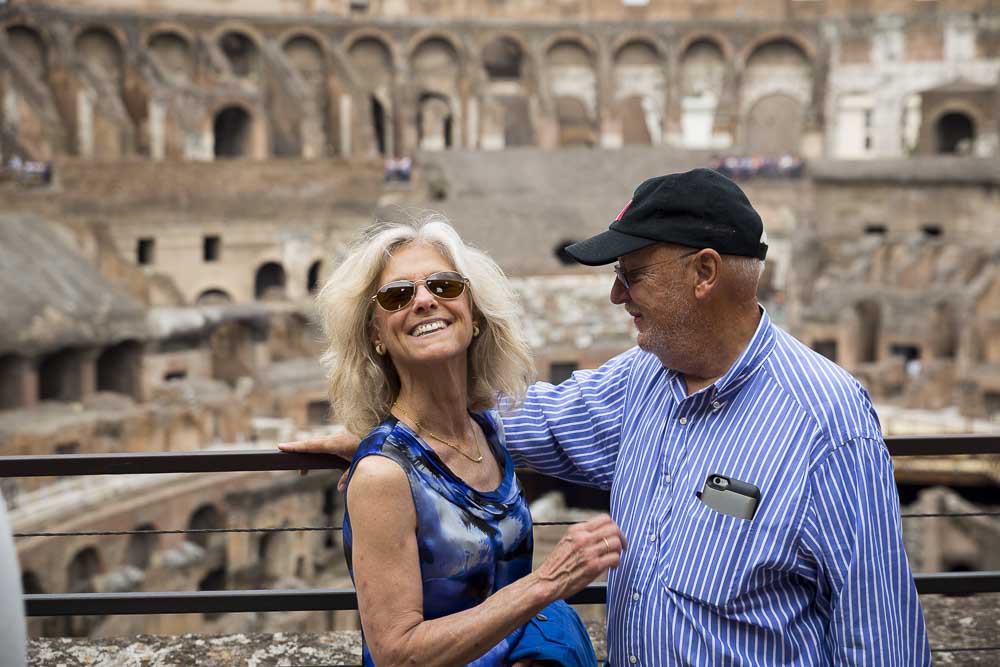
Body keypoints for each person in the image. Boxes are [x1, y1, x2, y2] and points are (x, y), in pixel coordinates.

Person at [285, 170, 931, 665]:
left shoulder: (828, 421)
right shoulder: (641, 378)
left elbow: (881, 638)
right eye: (399, 296)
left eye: (633, 273)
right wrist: (383, 443)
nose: (617, 294)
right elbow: (511, 421)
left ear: (704, 272)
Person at [301, 217, 624, 667]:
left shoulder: (488, 431)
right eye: (398, 296)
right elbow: (397, 654)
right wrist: (548, 583)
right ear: (376, 336)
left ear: (473, 315)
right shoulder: (382, 475)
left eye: (445, 286)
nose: (425, 301)